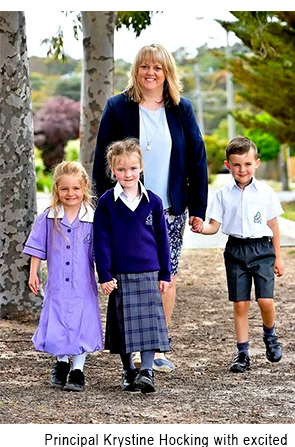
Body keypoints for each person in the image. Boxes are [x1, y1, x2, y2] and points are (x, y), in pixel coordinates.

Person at [92, 43, 208, 372]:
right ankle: (130, 347)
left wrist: (198, 206)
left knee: (164, 275)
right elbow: (103, 156)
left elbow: (197, 159)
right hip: (125, 209)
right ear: (136, 70)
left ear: (166, 72)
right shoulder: (118, 107)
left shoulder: (181, 108)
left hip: (170, 207)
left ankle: (156, 348)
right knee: (127, 277)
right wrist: (100, 206)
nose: (150, 73)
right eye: (145, 66)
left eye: (157, 67)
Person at [192, 136, 284, 372]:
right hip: (235, 250)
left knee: (265, 300)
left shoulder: (265, 192)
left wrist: (278, 257)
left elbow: (274, 227)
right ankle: (242, 353)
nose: (242, 169)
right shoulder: (223, 194)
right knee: (240, 304)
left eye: (247, 164)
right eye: (236, 165)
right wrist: (201, 227)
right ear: (227, 165)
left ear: (257, 163)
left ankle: (270, 335)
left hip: (262, 250)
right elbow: (214, 226)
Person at [93, 139, 171, 393]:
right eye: (121, 170)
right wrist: (104, 274)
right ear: (113, 171)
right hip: (119, 273)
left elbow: (162, 239)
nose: (128, 174)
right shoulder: (106, 203)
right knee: (124, 326)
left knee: (149, 325)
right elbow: (101, 241)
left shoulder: (154, 201)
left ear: (141, 168)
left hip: (149, 271)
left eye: (133, 169)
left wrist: (165, 273)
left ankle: (146, 371)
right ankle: (128, 371)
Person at [23, 161, 103, 391]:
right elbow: (38, 247)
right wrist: (33, 272)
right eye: (65, 189)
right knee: (58, 321)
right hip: (57, 285)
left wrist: (108, 275)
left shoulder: (92, 218)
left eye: (76, 188)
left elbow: (101, 252)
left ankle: (77, 370)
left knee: (82, 323)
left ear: (85, 188)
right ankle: (60, 364)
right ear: (57, 189)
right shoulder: (48, 218)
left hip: (82, 285)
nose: (71, 194)